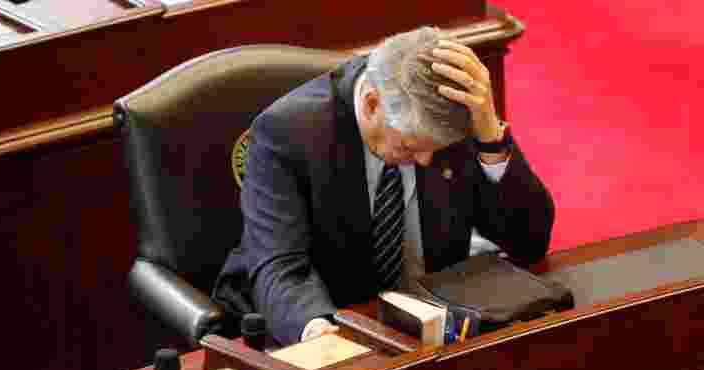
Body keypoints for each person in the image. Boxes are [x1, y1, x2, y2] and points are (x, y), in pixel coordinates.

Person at [214, 26, 554, 345]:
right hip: (331, 320)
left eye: (433, 149)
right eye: (409, 146)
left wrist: (490, 136)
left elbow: (529, 243)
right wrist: (319, 332)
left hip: (432, 322)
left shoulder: (448, 114)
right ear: (371, 103)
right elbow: (281, 268)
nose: (424, 161)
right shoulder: (287, 134)